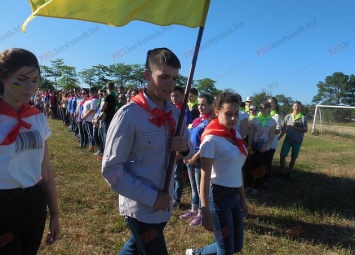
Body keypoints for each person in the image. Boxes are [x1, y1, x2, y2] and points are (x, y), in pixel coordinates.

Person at [102, 47, 194, 255]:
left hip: (164, 205)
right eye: (164, 77)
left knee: (134, 248)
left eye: (174, 79)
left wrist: (185, 147)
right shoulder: (128, 116)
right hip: (141, 207)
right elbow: (112, 171)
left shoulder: (175, 114)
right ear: (147, 75)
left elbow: (190, 152)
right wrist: (152, 198)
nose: (170, 84)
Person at [0, 48, 59, 254]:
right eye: (22, 79)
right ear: (4, 77)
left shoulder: (37, 118)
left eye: (34, 80)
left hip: (35, 202)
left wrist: (55, 213)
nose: (30, 86)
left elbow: (46, 168)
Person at [186, 92, 248, 255]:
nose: (234, 118)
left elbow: (238, 170)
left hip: (234, 196)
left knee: (236, 246)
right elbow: (204, 177)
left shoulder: (237, 136)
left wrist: (243, 199)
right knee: (226, 249)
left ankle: (197, 253)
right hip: (218, 197)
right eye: (229, 114)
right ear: (217, 112)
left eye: (236, 114)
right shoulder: (211, 140)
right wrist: (204, 210)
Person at [180, 94, 214, 226]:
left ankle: (201, 213)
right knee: (194, 187)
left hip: (200, 158)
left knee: (201, 188)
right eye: (199, 104)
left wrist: (194, 157)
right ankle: (194, 209)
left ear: (211, 106)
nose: (200, 107)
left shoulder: (211, 121)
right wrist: (186, 154)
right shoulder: (196, 120)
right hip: (190, 157)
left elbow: (207, 144)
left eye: (204, 104)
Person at [245, 101, 276, 195]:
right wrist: (249, 146)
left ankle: (256, 187)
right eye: (261, 108)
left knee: (260, 167)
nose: (263, 110)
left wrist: (266, 146)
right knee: (250, 166)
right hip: (253, 146)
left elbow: (271, 136)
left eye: (265, 108)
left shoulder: (272, 121)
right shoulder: (255, 120)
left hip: (264, 148)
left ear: (269, 109)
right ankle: (249, 185)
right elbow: (251, 133)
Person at [170, 85, 192, 208]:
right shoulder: (169, 109)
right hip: (170, 147)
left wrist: (180, 151)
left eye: (176, 95)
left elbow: (186, 132)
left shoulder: (185, 111)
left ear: (183, 96)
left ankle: (176, 199)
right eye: (172, 95)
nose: (174, 98)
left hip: (180, 149)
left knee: (177, 175)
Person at [278, 101, 308, 179]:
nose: (296, 108)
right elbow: (284, 128)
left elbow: (305, 130)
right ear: (292, 107)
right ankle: (282, 171)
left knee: (293, 157)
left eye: (298, 106)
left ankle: (289, 172)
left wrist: (295, 127)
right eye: (295, 106)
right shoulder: (288, 116)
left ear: (300, 108)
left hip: (297, 141)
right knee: (282, 155)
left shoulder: (303, 117)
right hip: (288, 139)